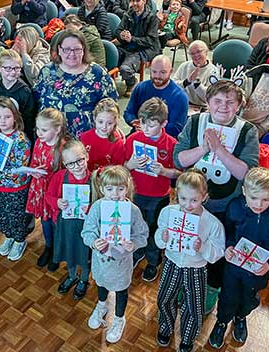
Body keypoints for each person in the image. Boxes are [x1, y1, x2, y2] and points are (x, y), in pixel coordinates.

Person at [174, 80, 260, 314]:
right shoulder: (194, 122)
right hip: (190, 203)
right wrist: (204, 148)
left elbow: (247, 172)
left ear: (239, 105)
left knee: (217, 248)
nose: (223, 106)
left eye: (230, 102)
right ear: (208, 102)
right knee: (189, 242)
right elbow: (178, 159)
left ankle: (212, 288)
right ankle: (185, 282)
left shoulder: (247, 130)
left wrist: (219, 149)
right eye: (218, 101)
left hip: (225, 205)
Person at [208, 167, 269, 348]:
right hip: (233, 268)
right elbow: (228, 229)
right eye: (253, 198)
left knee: (249, 299)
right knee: (227, 297)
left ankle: (241, 318)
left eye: (265, 199)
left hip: (258, 271)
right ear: (244, 191)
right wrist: (228, 246)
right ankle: (222, 322)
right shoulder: (235, 208)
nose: (259, 204)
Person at [155, 169, 225, 352]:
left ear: (204, 197)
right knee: (164, 298)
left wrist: (202, 247)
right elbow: (158, 238)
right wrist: (162, 237)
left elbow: (218, 252)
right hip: (171, 263)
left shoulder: (212, 223)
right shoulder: (168, 212)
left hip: (196, 269)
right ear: (176, 193)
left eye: (194, 200)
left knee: (194, 306)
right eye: (183, 198)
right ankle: (165, 327)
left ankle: (187, 338)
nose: (188, 205)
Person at [82, 166, 149, 344]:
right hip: (101, 262)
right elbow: (87, 232)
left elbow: (143, 235)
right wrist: (93, 242)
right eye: (110, 189)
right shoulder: (97, 207)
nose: (115, 194)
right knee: (102, 284)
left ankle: (119, 318)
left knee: (121, 291)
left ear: (127, 188)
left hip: (122, 264)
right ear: (102, 189)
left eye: (120, 188)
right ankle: (102, 305)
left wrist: (133, 244)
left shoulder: (133, 210)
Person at [125, 98, 181, 282]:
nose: (145, 128)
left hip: (159, 196)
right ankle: (138, 251)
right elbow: (122, 166)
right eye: (142, 123)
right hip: (136, 193)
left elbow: (178, 174)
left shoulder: (172, 144)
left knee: (155, 228)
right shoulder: (133, 139)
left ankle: (152, 261)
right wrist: (130, 164)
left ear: (164, 123)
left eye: (151, 125)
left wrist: (164, 171)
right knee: (135, 226)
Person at [34, 29, 118, 137]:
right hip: (51, 137)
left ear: (84, 50)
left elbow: (111, 106)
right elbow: (36, 102)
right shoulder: (47, 72)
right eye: (67, 49)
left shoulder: (98, 73)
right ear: (59, 49)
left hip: (87, 139)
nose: (72, 54)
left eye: (77, 49)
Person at [46, 140, 94, 300]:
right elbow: (48, 196)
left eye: (80, 160)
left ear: (86, 156)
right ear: (64, 164)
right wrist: (57, 202)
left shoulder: (95, 179)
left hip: (86, 226)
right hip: (65, 226)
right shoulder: (59, 177)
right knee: (69, 252)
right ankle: (72, 275)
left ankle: (84, 279)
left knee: (85, 254)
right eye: (71, 164)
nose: (77, 166)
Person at [0, 97, 32, 261]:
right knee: (1, 215)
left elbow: (20, 170)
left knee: (16, 217)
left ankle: (19, 240)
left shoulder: (21, 140)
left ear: (15, 117)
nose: (3, 121)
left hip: (15, 189)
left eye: (7, 117)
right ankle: (9, 236)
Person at [26, 108, 68, 270]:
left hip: (56, 193)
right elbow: (33, 163)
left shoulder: (64, 148)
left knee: (56, 221)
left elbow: (67, 174)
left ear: (57, 129)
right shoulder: (38, 143)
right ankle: (48, 247)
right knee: (45, 221)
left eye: (44, 130)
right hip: (40, 189)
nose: (39, 133)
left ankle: (57, 251)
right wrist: (34, 171)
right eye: (38, 129)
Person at [123, 55, 188, 138]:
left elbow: (176, 128)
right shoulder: (140, 88)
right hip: (139, 133)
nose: (157, 76)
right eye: (154, 72)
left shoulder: (180, 96)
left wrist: (150, 128)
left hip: (164, 139)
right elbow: (128, 112)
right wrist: (133, 121)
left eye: (163, 72)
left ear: (171, 71)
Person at [0, 49, 37, 142]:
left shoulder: (25, 91)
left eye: (16, 68)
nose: (13, 72)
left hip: (19, 139)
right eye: (8, 68)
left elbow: (29, 120)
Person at [115, 0, 160, 96]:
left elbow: (150, 40)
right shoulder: (128, 14)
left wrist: (132, 39)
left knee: (125, 69)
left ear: (144, 1)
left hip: (145, 49)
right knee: (110, 58)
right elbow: (117, 30)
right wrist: (121, 35)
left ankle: (131, 82)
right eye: (133, 1)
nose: (134, 3)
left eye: (138, 1)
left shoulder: (152, 18)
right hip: (128, 46)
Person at [80, 98, 126, 172]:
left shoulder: (117, 143)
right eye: (100, 122)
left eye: (109, 123)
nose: (104, 126)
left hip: (107, 180)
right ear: (94, 118)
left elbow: (118, 168)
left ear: (115, 122)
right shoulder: (84, 137)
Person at [172, 40, 219, 111]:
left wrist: (197, 84)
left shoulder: (213, 71)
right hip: (183, 103)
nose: (196, 55)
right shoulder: (184, 66)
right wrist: (186, 82)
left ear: (206, 52)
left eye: (199, 52)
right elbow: (173, 86)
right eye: (192, 53)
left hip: (202, 107)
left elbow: (210, 97)